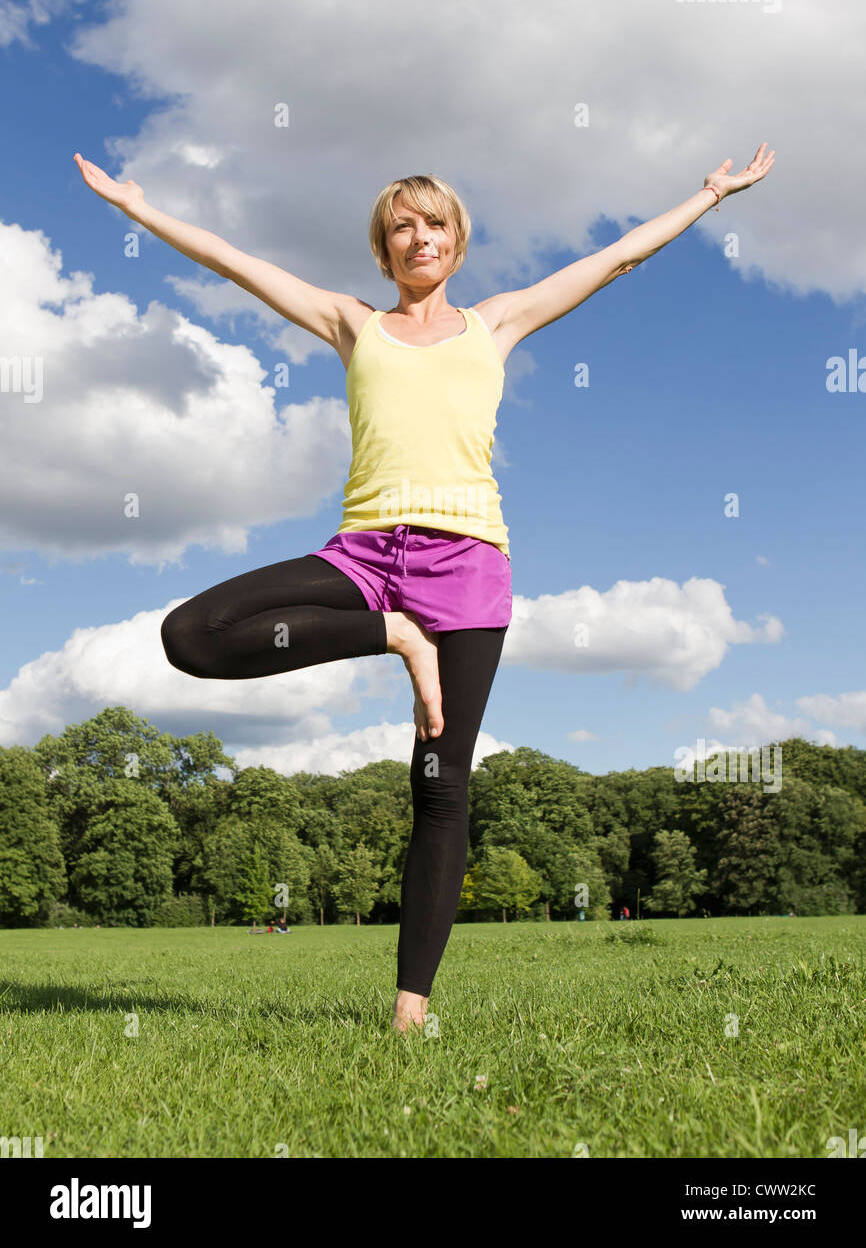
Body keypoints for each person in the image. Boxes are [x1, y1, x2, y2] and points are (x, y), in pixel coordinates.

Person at [73, 147, 774, 1033]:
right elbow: (232, 261)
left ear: (456, 241)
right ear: (383, 251)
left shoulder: (497, 324)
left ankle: (412, 1008)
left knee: (441, 782)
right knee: (193, 634)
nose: (417, 236)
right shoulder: (351, 323)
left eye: (432, 222)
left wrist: (708, 196)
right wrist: (140, 208)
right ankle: (395, 636)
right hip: (364, 559)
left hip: (470, 566)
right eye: (399, 226)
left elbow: (615, 258)